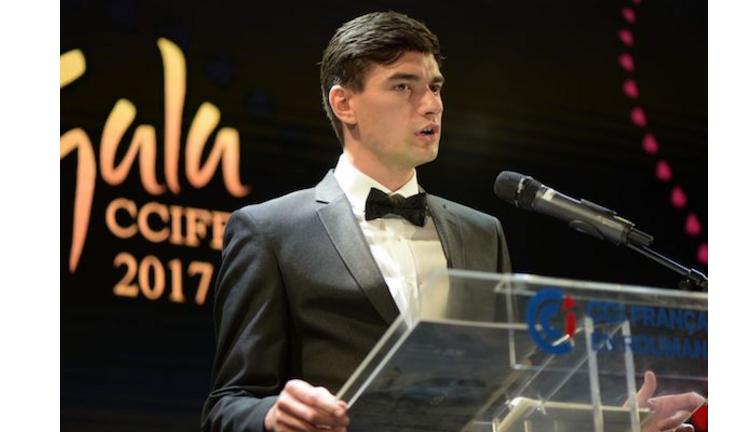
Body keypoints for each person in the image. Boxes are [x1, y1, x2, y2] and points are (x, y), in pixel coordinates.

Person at [201, 11, 703, 432]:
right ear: (344, 103)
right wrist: (273, 417)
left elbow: (512, 403)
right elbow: (228, 405)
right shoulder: (269, 231)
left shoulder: (482, 233)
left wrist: (612, 421)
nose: (432, 104)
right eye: (403, 86)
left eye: (435, 87)